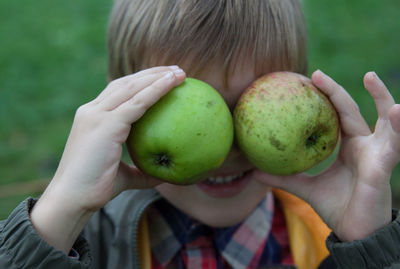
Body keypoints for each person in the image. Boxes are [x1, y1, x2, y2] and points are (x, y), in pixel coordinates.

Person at [1, 0, 400, 268]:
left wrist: (367, 245)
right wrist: (59, 215)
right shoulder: (82, 243)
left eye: (247, 108)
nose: (223, 150)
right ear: (121, 103)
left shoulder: (323, 238)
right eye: (197, 112)